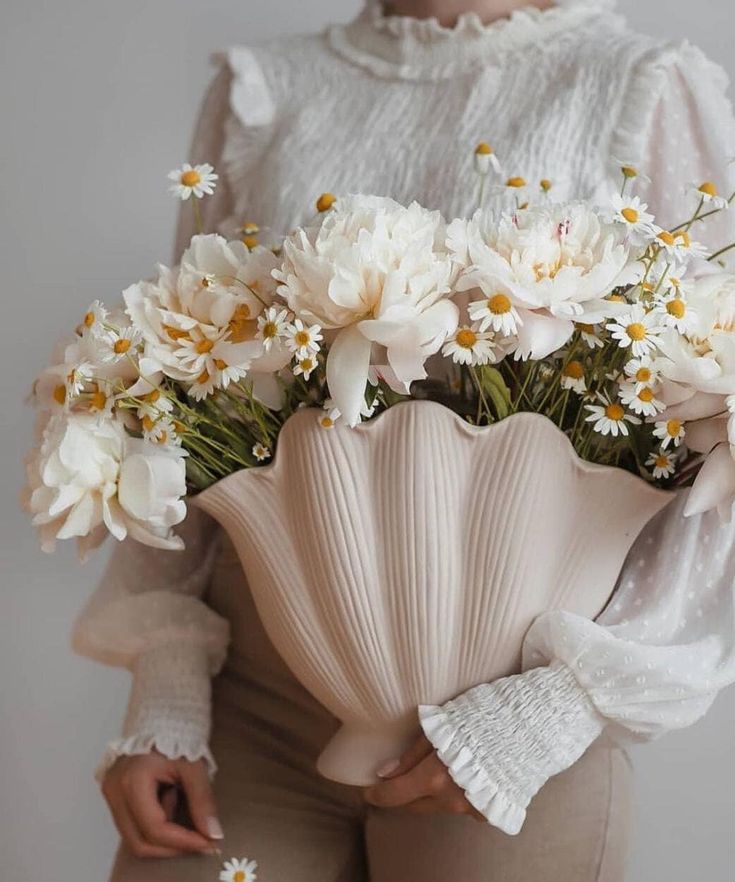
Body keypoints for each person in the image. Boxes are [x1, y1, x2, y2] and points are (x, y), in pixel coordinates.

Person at [72, 1, 735, 879]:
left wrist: (558, 705)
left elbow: (715, 416)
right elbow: (185, 382)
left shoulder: (641, 83)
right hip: (256, 698)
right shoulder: (264, 91)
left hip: (509, 708)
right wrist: (168, 687)